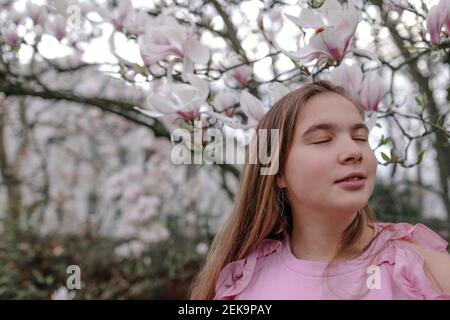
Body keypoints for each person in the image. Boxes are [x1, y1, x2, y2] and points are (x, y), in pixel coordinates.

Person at [189, 80, 450, 300]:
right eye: (322, 140)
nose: (353, 152)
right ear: (278, 172)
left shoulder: (421, 271)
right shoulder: (242, 283)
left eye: (360, 138)